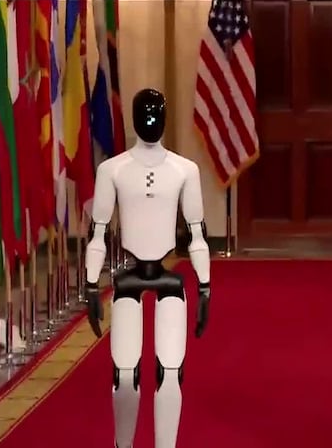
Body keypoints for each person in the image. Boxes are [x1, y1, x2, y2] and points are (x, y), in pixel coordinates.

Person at [85, 88, 212, 447]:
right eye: (146, 114)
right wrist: (91, 286)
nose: (151, 120)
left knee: (170, 374)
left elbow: (197, 235)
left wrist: (205, 287)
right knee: (125, 375)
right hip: (129, 280)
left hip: (168, 282)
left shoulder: (184, 170)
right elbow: (97, 233)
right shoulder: (112, 170)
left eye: (156, 114)